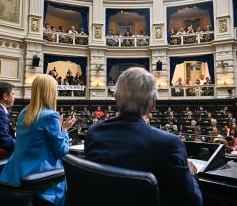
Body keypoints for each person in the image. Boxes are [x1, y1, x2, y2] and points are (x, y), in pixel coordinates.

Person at [85, 67, 202, 206]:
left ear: (116, 99)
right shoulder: (170, 144)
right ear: (153, 105)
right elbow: (193, 202)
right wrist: (190, 175)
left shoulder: (94, 133)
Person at [0, 75, 76, 206]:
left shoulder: (24, 112)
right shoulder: (51, 116)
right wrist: (64, 130)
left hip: (14, 173)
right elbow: (62, 152)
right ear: (50, 92)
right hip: (40, 177)